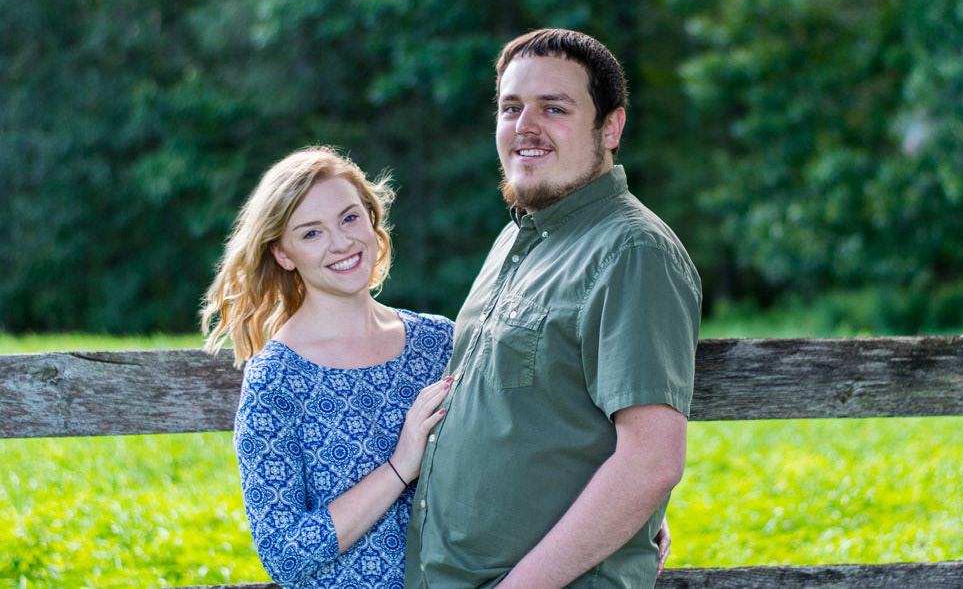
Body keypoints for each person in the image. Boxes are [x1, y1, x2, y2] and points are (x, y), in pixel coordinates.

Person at [405, 29, 702, 588]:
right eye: (511, 107)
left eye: (554, 108)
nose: (525, 126)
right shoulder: (519, 239)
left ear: (610, 127)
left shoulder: (632, 251)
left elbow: (652, 462)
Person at [201, 145, 454, 588]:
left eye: (349, 218)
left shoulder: (439, 341)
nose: (341, 242)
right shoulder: (277, 378)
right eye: (311, 233)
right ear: (283, 253)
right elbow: (283, 555)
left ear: (372, 218)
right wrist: (399, 467)